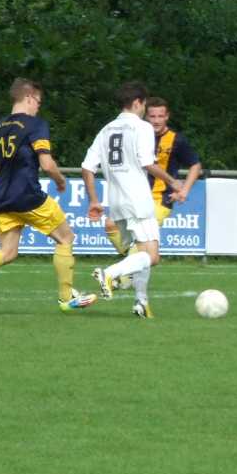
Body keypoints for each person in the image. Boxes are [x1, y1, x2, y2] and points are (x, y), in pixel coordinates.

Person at [0, 78, 97, 312]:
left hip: (2, 197)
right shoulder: (35, 125)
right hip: (28, 195)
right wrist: (60, 180)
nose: (38, 107)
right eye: (38, 102)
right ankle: (66, 298)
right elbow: (47, 164)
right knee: (66, 238)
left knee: (7, 253)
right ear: (28, 98)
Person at [81, 81, 182, 318]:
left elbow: (87, 168)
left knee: (140, 253)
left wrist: (94, 200)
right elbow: (147, 163)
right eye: (144, 104)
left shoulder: (106, 130)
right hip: (138, 200)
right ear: (137, 102)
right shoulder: (142, 127)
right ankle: (109, 273)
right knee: (151, 256)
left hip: (116, 202)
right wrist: (172, 181)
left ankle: (141, 303)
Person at [103, 95, 202, 252]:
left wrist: (184, 190)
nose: (156, 121)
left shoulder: (176, 140)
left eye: (160, 116)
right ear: (146, 116)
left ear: (167, 116)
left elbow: (195, 165)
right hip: (135, 197)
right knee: (110, 225)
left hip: (159, 199)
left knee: (140, 244)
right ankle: (136, 259)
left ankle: (132, 262)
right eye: (152, 116)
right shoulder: (137, 135)